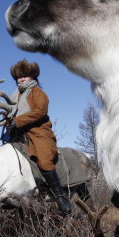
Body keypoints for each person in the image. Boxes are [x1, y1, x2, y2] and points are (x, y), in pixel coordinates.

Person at [7, 59, 72, 214]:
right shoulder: (14, 96)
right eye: (18, 76)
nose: (21, 79)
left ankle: (60, 197)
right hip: (19, 135)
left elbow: (39, 112)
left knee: (44, 160)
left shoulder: (38, 93)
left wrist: (17, 121)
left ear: (32, 76)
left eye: (25, 75)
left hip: (39, 133)